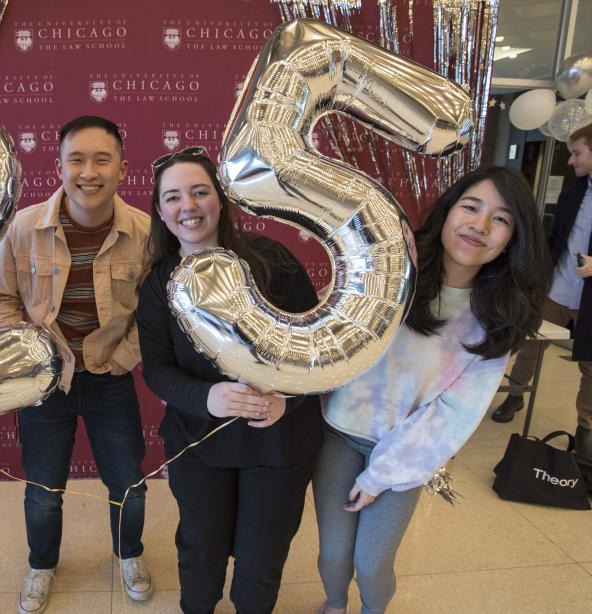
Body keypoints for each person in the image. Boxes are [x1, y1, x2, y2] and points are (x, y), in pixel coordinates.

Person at [314, 166, 549, 614]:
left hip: (407, 453)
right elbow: (327, 335)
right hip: (339, 433)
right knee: (332, 554)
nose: (480, 226)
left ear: (514, 238)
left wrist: (381, 475)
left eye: (500, 219)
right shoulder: (387, 271)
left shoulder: (499, 316)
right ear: (448, 210)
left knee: (372, 561)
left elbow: (455, 412)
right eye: (471, 207)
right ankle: (336, 605)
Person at [136, 146, 323, 614]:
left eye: (200, 192)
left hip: (278, 442)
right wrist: (208, 397)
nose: (189, 207)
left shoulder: (271, 260)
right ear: (160, 211)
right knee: (200, 551)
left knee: (261, 561)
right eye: (174, 198)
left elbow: (315, 349)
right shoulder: (159, 283)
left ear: (221, 199)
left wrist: (287, 399)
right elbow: (157, 368)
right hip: (199, 442)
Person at [0, 115, 153, 613]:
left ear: (123, 168)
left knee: (128, 482)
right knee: (43, 488)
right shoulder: (23, 227)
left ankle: (130, 555)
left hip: (110, 376)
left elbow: (155, 311)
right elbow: (2, 298)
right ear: (58, 166)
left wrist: (124, 359)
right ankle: (41, 566)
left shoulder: (145, 233)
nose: (88, 171)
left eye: (101, 159)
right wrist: (29, 357)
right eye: (76, 159)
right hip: (45, 382)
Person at [492, 124, 592, 458]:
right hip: (557, 289)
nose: (571, 160)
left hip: (588, 300)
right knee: (529, 345)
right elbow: (554, 240)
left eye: (577, 153)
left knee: (591, 366)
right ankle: (515, 395)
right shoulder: (573, 194)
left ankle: (586, 428)